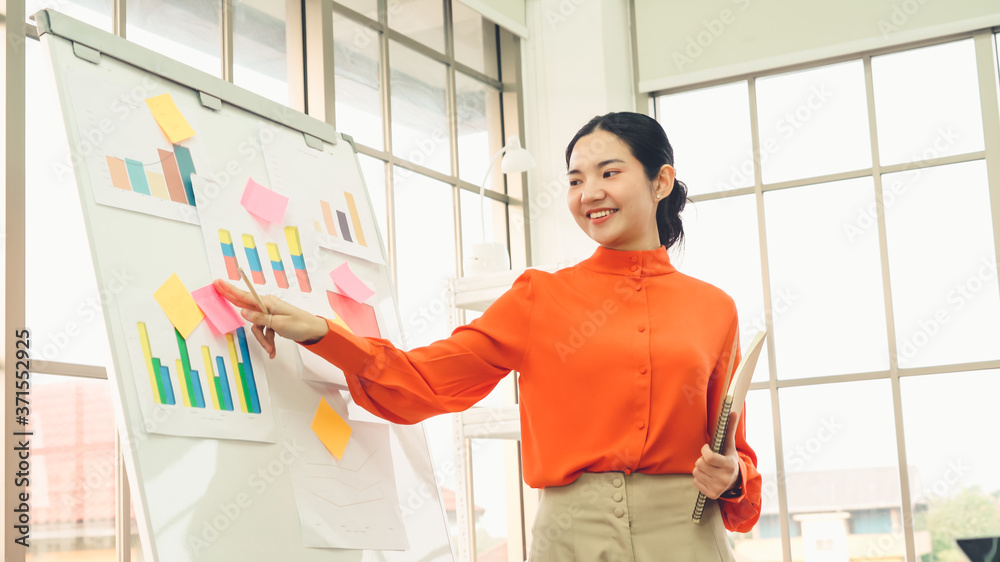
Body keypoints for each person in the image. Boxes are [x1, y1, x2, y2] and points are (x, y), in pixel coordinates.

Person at [216, 111, 762, 561]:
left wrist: (732, 476)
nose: (589, 192)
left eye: (609, 173)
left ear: (660, 180)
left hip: (686, 537)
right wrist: (320, 332)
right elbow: (427, 379)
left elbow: (734, 452)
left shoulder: (714, 309)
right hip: (571, 537)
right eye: (575, 180)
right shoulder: (538, 297)